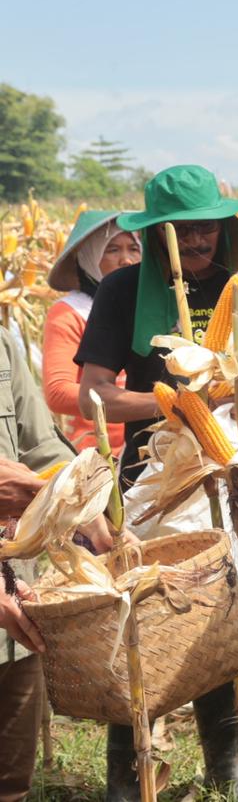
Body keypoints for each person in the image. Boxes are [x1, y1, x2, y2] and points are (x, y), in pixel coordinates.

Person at [73, 164, 238, 802]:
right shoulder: (121, 291)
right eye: (182, 230)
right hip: (150, 480)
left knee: (220, 619)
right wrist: (172, 404)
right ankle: (130, 772)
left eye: (207, 227)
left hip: (230, 472)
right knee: (141, 622)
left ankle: (224, 767)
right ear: (154, 234)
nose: (198, 241)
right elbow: (96, 394)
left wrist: (234, 393)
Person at [0, 327, 99, 800]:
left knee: (11, 773)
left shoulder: (0, 342)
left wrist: (86, 501)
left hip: (16, 596)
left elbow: (39, 445)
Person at [42, 211, 140, 453]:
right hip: (99, 451)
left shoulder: (156, 307)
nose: (126, 260)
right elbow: (57, 391)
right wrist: (137, 402)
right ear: (89, 257)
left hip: (154, 444)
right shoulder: (70, 313)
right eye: (113, 250)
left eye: (134, 249)